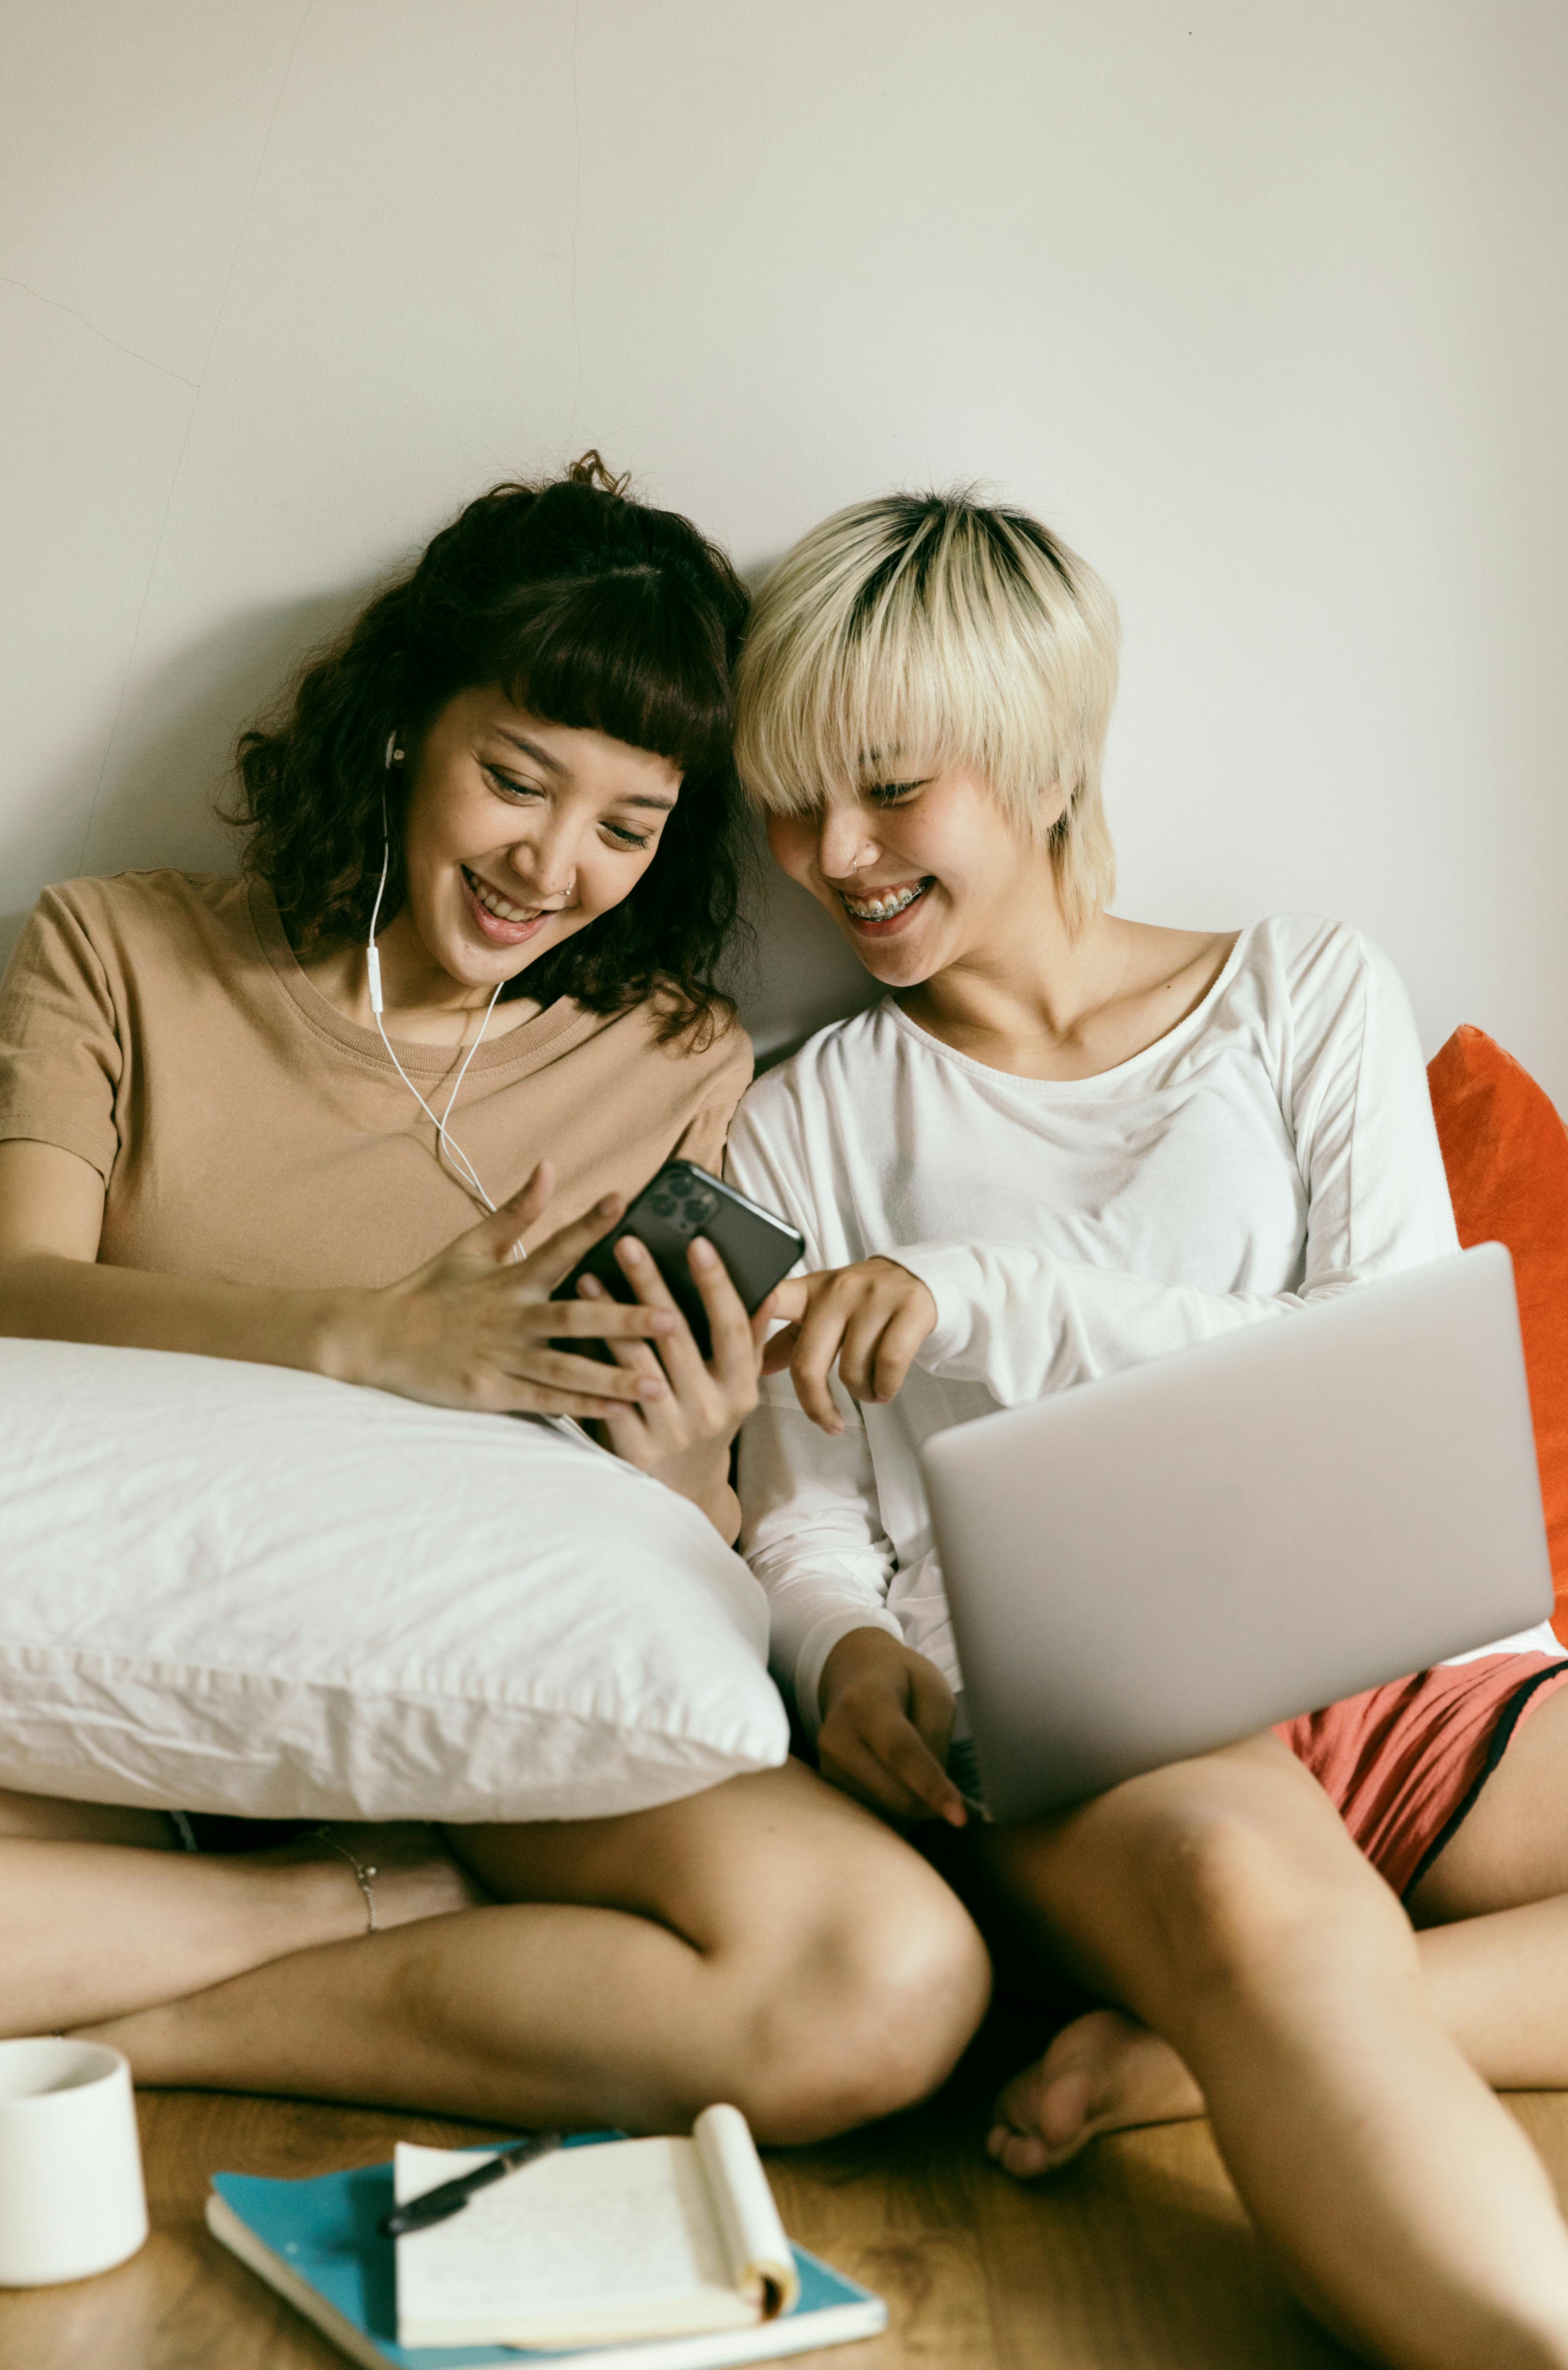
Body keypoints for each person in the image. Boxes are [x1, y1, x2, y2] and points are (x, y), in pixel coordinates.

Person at [0, 457, 989, 2141]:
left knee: (883, 1974)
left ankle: (135, 2027)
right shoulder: (119, 953)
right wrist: (370, 1338)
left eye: (629, 823)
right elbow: (21, 1298)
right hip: (106, 1688)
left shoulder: (666, 1058)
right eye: (515, 781)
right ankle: (336, 1903)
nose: (554, 864)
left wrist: (686, 1453)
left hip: (480, 1700)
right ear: (406, 729)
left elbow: (678, 1509)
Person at [728, 486, 1568, 2366]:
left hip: (1406, 1653)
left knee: (1315, 1979)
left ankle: (1194, 2058)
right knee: (1248, 1912)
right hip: (1100, 1725)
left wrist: (989, 1297)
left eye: (886, 787)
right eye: (790, 799)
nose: (830, 853)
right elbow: (803, 1527)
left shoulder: (1300, 991)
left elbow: (1382, 1360)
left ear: (1039, 766)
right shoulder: (806, 1120)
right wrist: (846, 1650)